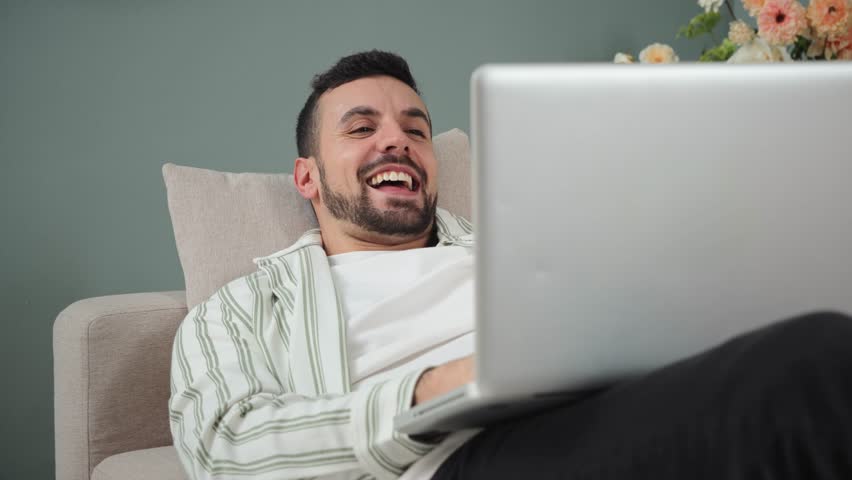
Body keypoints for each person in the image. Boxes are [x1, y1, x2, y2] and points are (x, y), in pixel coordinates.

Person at [169, 50, 852, 480]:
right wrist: (436, 388)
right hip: (453, 455)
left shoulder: (523, 245)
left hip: (616, 398)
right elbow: (224, 450)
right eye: (360, 128)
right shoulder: (241, 308)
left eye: (415, 129)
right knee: (815, 365)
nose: (397, 142)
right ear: (307, 177)